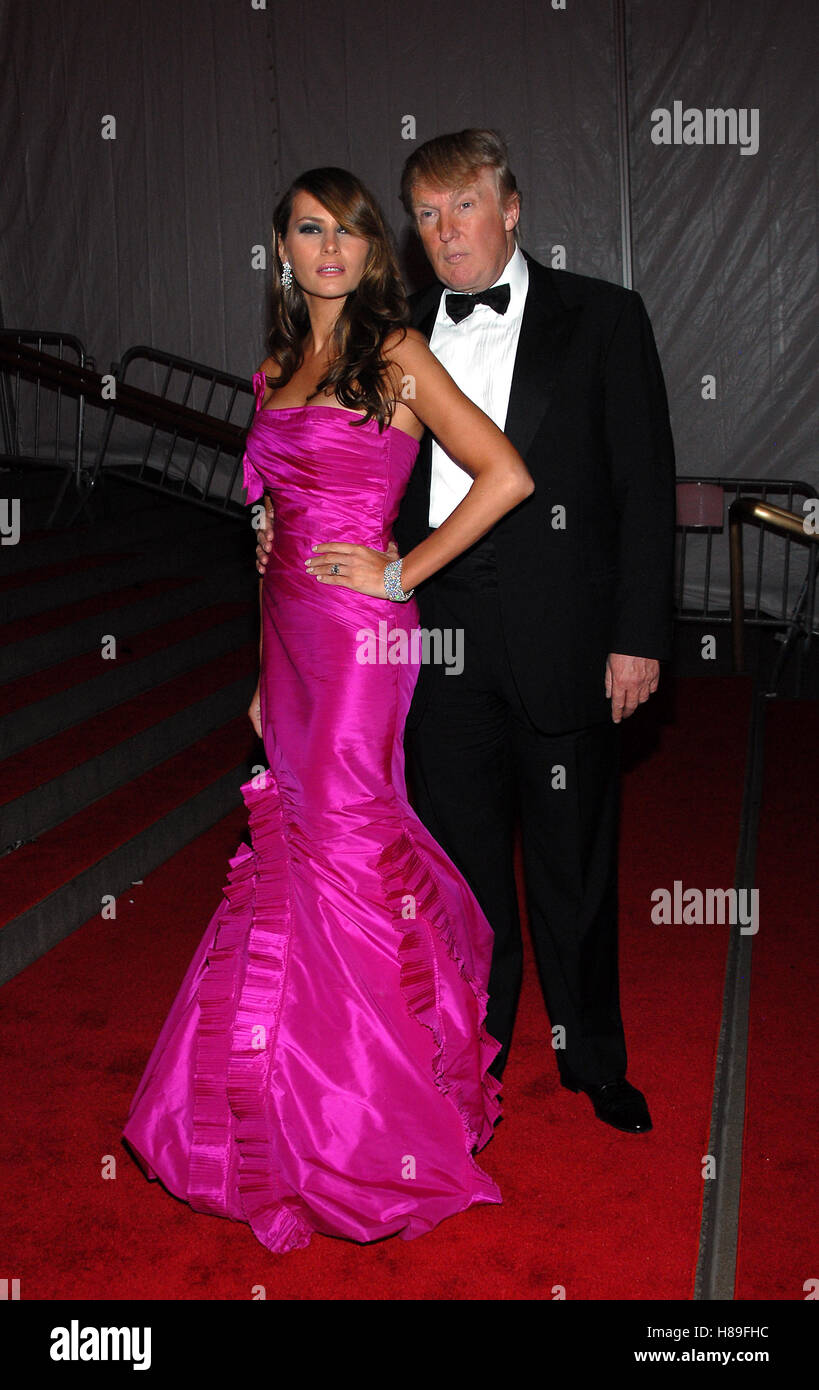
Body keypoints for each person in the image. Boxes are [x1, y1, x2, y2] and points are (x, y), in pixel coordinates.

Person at [122, 166, 534, 1254]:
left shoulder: (393, 355)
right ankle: (296, 1109)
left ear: (370, 249)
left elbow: (504, 473)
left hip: (360, 647)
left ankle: (377, 1114)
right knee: (297, 853)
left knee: (350, 847)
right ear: (283, 250)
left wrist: (406, 571)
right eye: (311, 230)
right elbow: (267, 538)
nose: (332, 248)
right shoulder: (269, 374)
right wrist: (262, 670)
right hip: (292, 649)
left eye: (349, 230)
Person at [257, 129, 676, 1135]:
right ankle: (468, 1046)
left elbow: (645, 486)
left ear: (512, 207)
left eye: (466, 208)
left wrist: (639, 635)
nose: (447, 232)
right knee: (457, 862)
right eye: (429, 214)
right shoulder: (385, 333)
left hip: (563, 630)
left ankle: (591, 1056)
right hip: (421, 637)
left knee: (571, 861)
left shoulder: (603, 319)